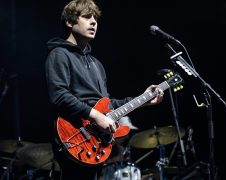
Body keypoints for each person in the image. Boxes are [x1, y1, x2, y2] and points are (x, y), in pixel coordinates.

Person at [44, 0, 164, 179]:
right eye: (86, 17)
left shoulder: (96, 64)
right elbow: (59, 96)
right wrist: (95, 116)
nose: (93, 22)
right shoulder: (59, 54)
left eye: (95, 18)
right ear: (69, 22)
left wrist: (143, 99)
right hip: (74, 135)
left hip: (97, 141)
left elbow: (107, 104)